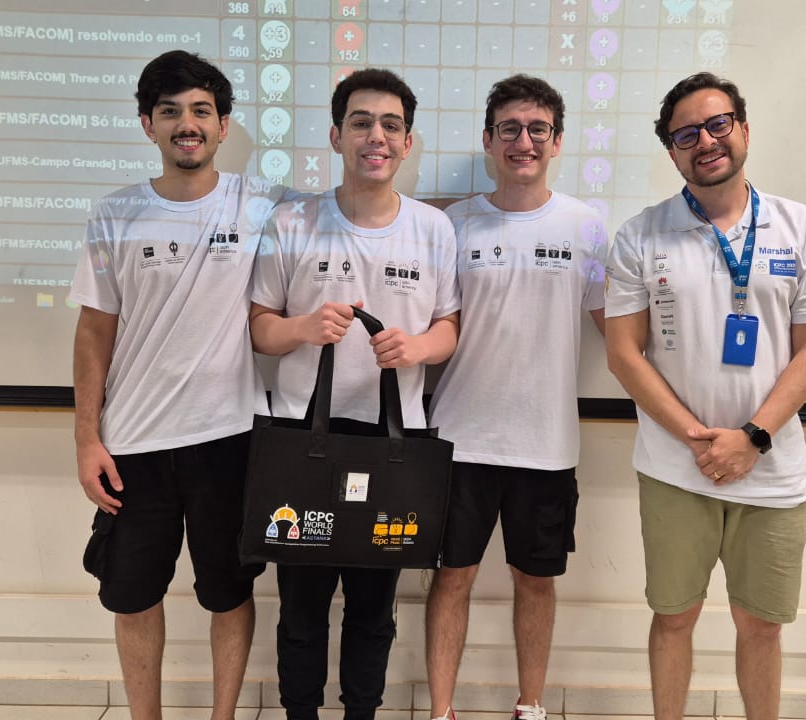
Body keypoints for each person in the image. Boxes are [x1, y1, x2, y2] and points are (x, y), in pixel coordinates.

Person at [603, 72, 806, 720]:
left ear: (743, 129)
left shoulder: (800, 226)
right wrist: (699, 440)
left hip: (772, 467)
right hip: (674, 467)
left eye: (717, 124)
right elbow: (623, 353)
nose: (706, 141)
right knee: (673, 617)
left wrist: (752, 438)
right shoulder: (640, 234)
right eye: (686, 135)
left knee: (761, 625)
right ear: (672, 151)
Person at [70, 50, 294, 720]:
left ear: (223, 125)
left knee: (229, 591)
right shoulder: (114, 214)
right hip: (134, 444)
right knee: (132, 595)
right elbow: (94, 332)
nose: (186, 124)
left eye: (201, 110)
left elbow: (356, 208)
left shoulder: (262, 204)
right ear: (149, 125)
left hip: (230, 438)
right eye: (170, 111)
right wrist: (86, 438)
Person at [248, 68, 461, 720]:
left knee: (373, 610)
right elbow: (260, 328)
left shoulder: (433, 229)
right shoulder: (292, 221)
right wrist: (303, 328)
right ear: (336, 135)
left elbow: (449, 328)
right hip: (302, 441)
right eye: (361, 122)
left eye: (391, 125)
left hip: (392, 444)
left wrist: (417, 348)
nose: (376, 136)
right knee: (301, 609)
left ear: (408, 142)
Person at [423, 74, 607, 720]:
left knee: (536, 580)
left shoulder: (586, 228)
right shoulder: (452, 224)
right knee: (452, 577)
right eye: (509, 129)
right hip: (459, 440)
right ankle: (441, 712)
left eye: (537, 129)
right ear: (488, 139)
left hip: (546, 445)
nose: (523, 141)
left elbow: (617, 332)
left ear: (557, 142)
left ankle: (530, 707)